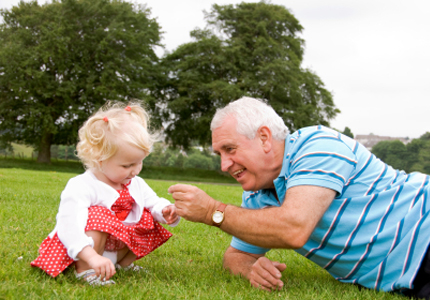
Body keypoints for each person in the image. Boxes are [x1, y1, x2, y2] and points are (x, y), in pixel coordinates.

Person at [169, 96, 430, 298]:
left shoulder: (318, 145)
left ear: (264, 138)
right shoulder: (259, 195)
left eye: (230, 149)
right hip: (409, 277)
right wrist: (252, 269)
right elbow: (236, 256)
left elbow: (294, 227)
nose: (224, 165)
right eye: (220, 155)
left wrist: (212, 212)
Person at [31, 101, 180, 286]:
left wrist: (164, 210)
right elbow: (68, 226)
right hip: (86, 251)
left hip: (115, 246)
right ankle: (85, 270)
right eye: (127, 165)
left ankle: (122, 263)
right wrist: (91, 257)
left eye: (139, 162)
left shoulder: (135, 183)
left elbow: (152, 201)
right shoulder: (82, 185)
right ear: (99, 159)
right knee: (98, 214)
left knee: (147, 216)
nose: (135, 171)